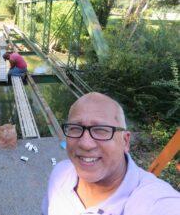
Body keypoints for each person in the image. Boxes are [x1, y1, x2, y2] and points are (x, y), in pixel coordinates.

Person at [42, 92, 180, 215]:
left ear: (125, 141)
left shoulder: (155, 202)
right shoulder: (60, 173)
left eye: (101, 130)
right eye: (75, 128)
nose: (85, 143)